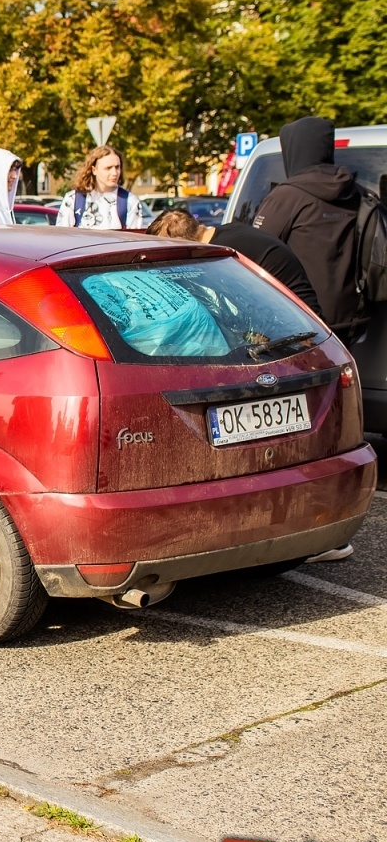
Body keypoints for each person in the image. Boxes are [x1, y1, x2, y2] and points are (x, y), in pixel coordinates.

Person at [149, 208, 351, 564]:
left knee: (292, 444)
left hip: (293, 337)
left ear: (181, 240)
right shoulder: (229, 237)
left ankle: (323, 537)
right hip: (306, 327)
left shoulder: (219, 255)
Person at [253, 116, 368, 340]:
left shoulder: (287, 196)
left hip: (301, 317)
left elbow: (255, 249)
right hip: (354, 316)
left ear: (294, 150)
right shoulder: (356, 192)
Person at [146, 209, 321, 312]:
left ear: (182, 243)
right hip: (305, 313)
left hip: (301, 320)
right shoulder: (227, 232)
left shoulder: (221, 255)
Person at [56, 146, 148, 229]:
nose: (114, 173)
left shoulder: (130, 201)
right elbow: (62, 239)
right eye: (108, 168)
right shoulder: (73, 199)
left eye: (117, 167)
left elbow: (135, 242)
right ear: (94, 170)